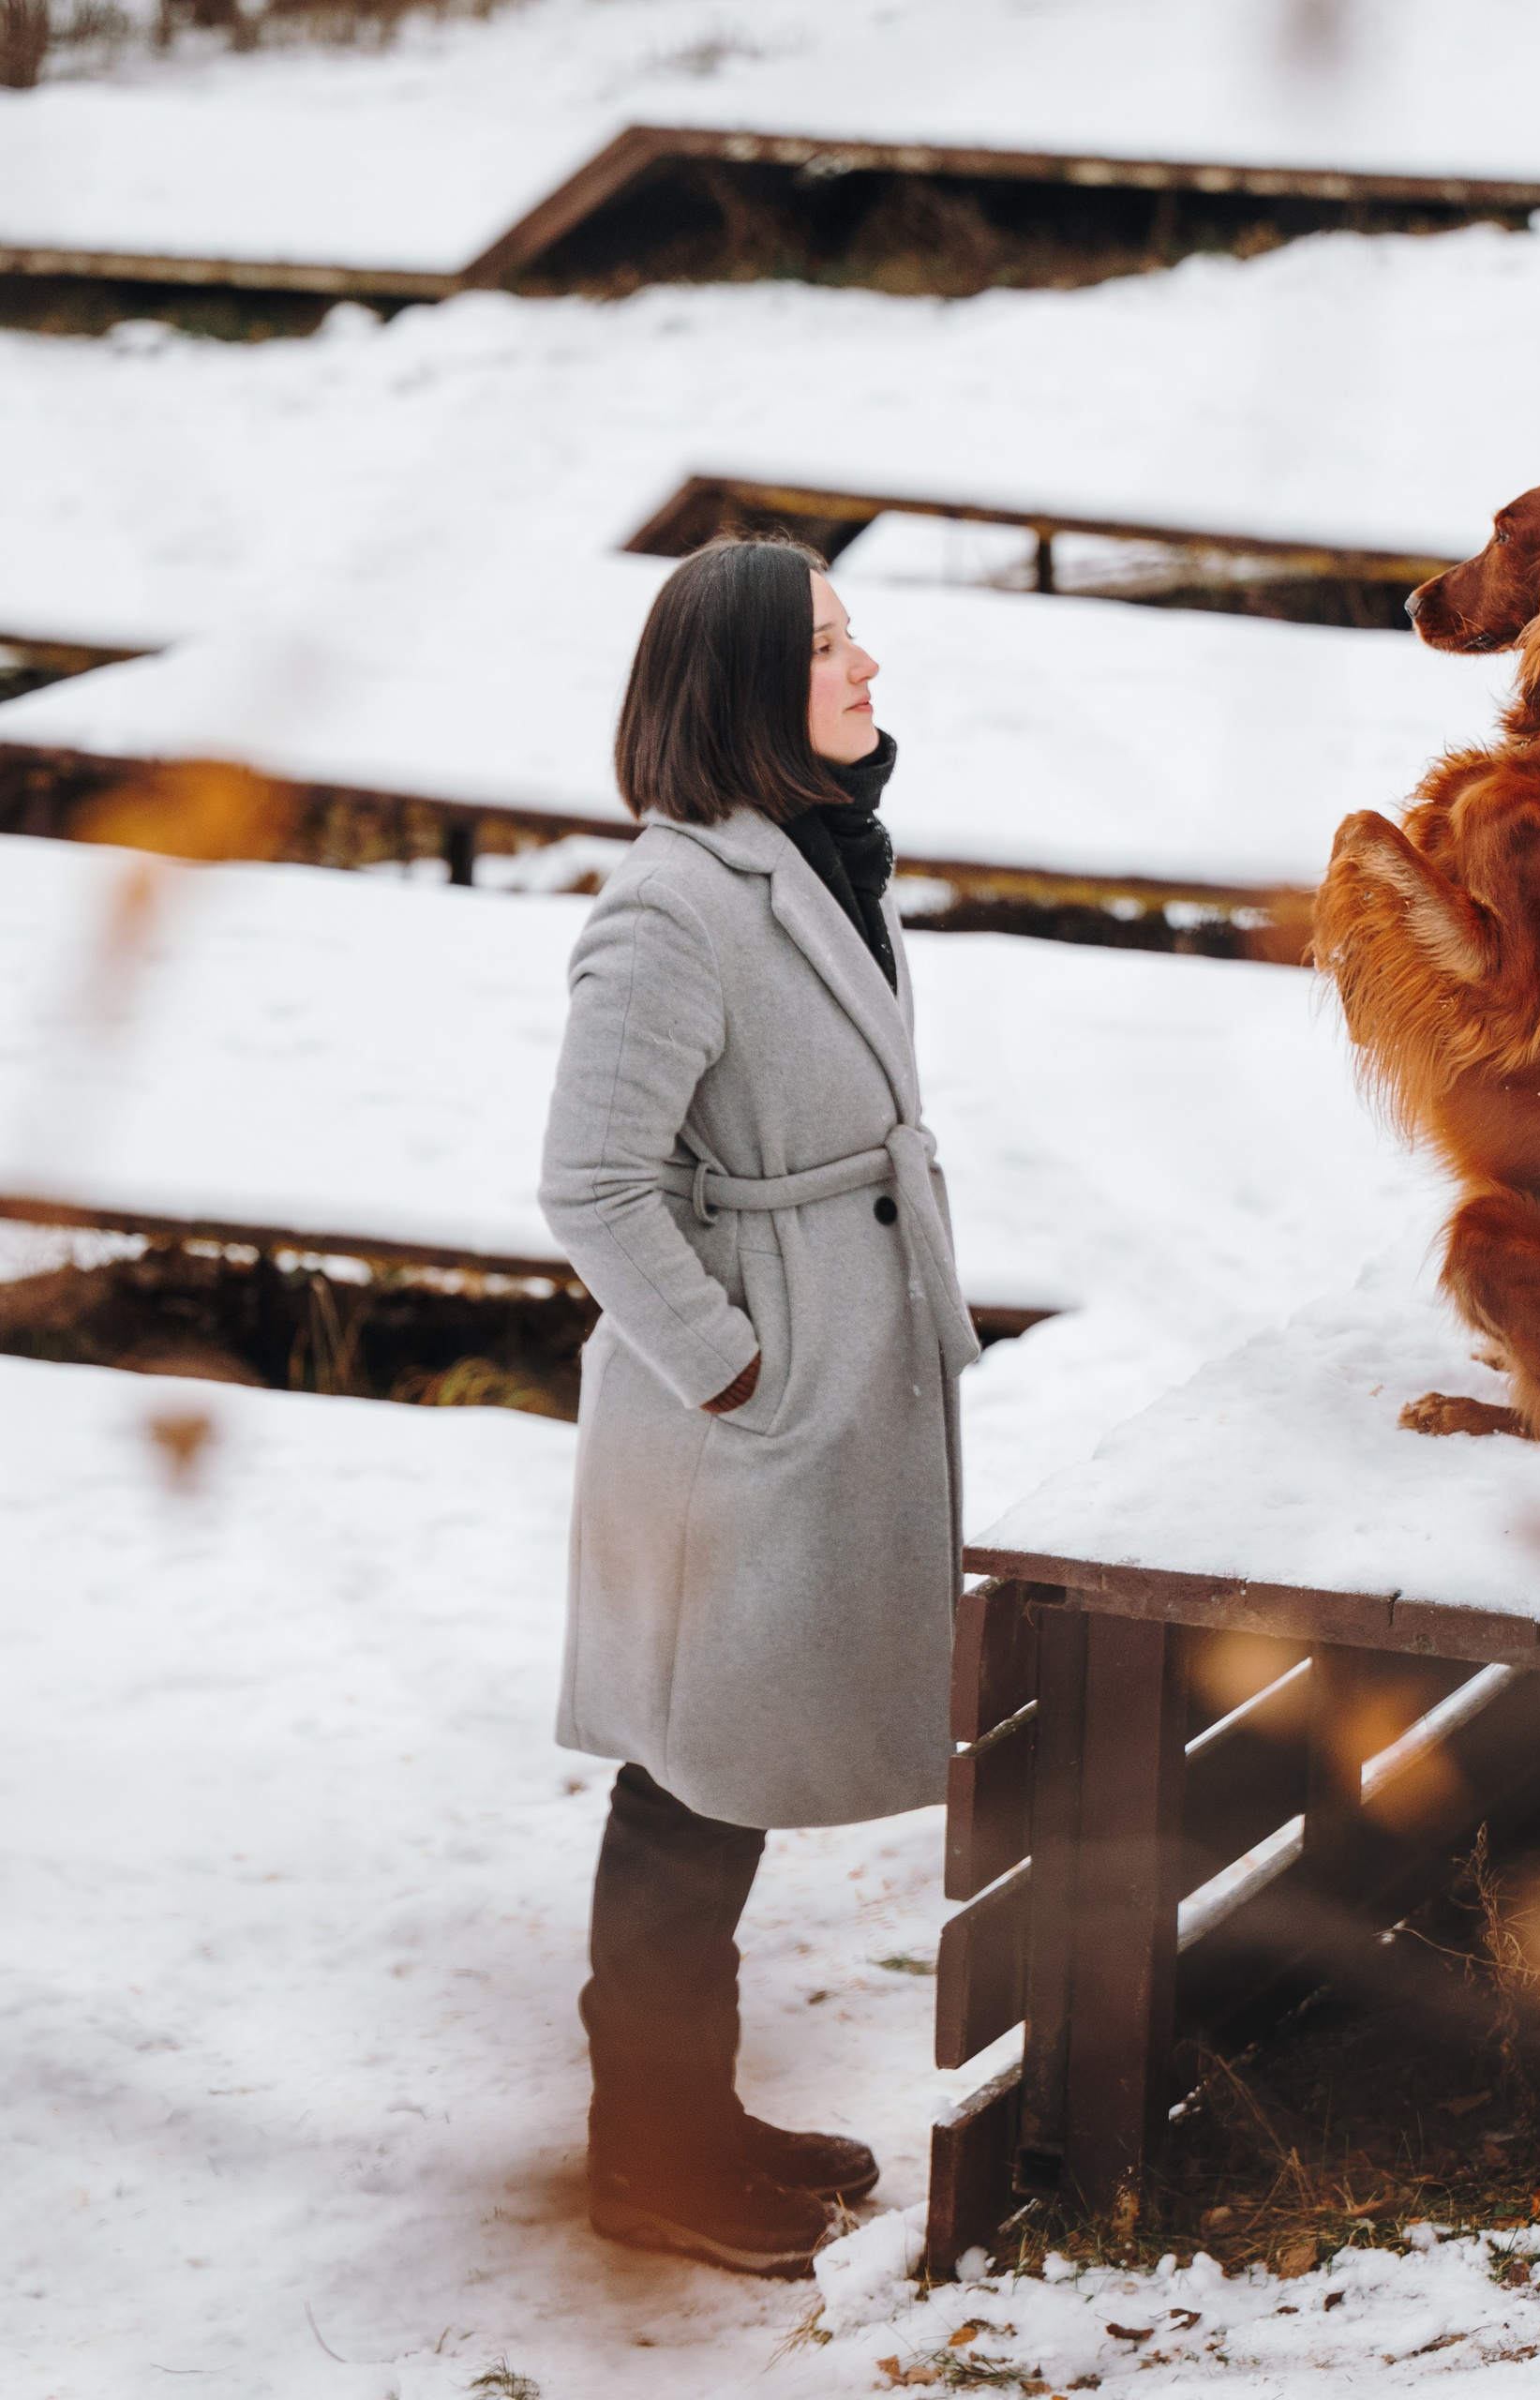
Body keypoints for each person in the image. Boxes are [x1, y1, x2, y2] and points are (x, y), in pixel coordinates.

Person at [539, 536, 979, 2275]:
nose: (867, 668)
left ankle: (691, 2120)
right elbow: (592, 1183)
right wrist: (737, 1363)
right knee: (686, 1791)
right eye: (824, 648)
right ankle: (646, 2157)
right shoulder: (671, 906)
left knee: (716, 1791)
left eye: (856, 636)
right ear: (737, 689)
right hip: (737, 1416)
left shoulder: (816, 858)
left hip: (827, 1370)